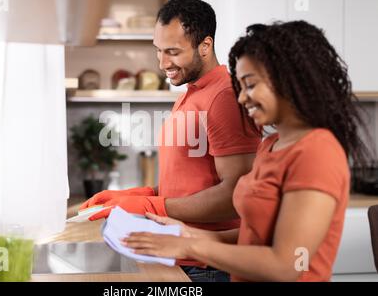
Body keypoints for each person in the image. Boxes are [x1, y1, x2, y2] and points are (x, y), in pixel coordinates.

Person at [121, 20, 373, 282]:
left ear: (290, 80)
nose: (241, 98)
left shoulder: (317, 153)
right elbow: (256, 234)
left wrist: (192, 247)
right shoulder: (270, 145)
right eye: (240, 87)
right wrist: (190, 234)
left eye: (250, 85)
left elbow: (288, 265)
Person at [79, 0, 261, 282]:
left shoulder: (223, 97)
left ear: (205, 46)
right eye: (158, 51)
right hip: (183, 256)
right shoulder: (190, 93)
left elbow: (237, 194)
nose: (163, 63)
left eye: (173, 52)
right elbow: (190, 179)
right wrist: (142, 194)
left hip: (210, 266)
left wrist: (154, 206)